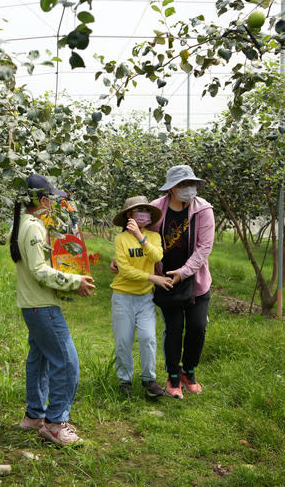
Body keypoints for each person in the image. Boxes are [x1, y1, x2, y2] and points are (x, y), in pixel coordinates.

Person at [11, 174, 95, 446]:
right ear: (44, 200)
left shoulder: (23, 223)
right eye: (53, 200)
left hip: (31, 304)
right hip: (42, 306)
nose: (55, 205)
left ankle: (35, 415)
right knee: (67, 361)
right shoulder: (34, 226)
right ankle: (56, 423)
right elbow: (38, 270)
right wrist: (74, 281)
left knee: (39, 358)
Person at [150, 165, 215, 399]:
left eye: (191, 184)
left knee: (197, 327)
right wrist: (121, 257)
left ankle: (189, 369)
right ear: (172, 189)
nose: (189, 189)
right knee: (174, 329)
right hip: (167, 280)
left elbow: (204, 248)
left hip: (195, 281)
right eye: (183, 185)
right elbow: (139, 235)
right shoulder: (156, 209)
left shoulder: (204, 209)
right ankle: (173, 375)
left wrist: (184, 272)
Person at [109, 196, 173, 399]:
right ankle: (125, 380)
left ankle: (149, 379)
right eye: (139, 210)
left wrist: (140, 237)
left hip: (145, 298)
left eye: (146, 210)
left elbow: (157, 257)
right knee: (123, 341)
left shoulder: (153, 237)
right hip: (123, 297)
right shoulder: (120, 240)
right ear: (129, 215)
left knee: (148, 338)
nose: (144, 213)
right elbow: (125, 271)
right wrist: (153, 278)